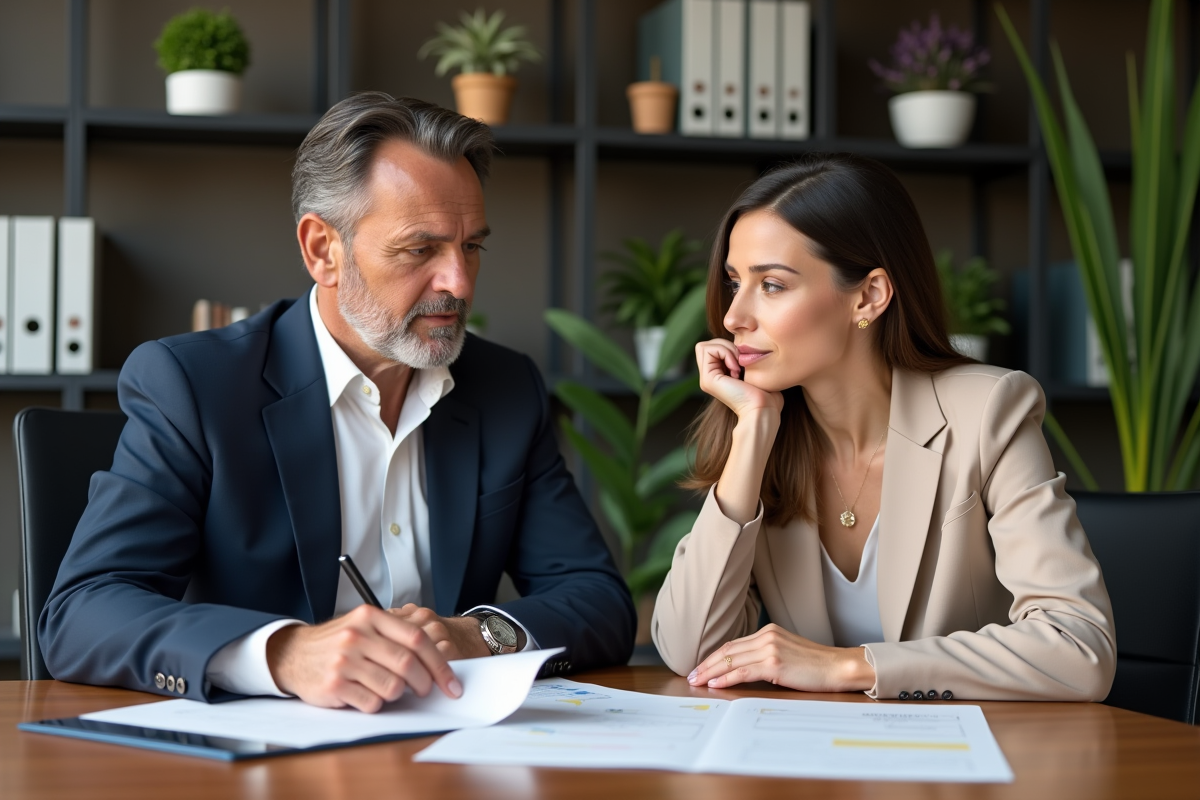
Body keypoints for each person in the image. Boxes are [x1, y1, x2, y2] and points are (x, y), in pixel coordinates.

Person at [40, 93, 636, 711]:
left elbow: (597, 600)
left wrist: (477, 633)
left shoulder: (507, 387)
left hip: (447, 750)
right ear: (323, 249)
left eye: (472, 247)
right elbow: (83, 611)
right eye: (419, 249)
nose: (458, 282)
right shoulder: (194, 384)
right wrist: (284, 652)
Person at [652, 154, 1116, 702]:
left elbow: (1079, 649)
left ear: (869, 296)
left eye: (772, 285)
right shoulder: (768, 434)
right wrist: (752, 430)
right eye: (734, 282)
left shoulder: (989, 410)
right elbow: (691, 650)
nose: (734, 317)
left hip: (968, 769)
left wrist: (852, 667)